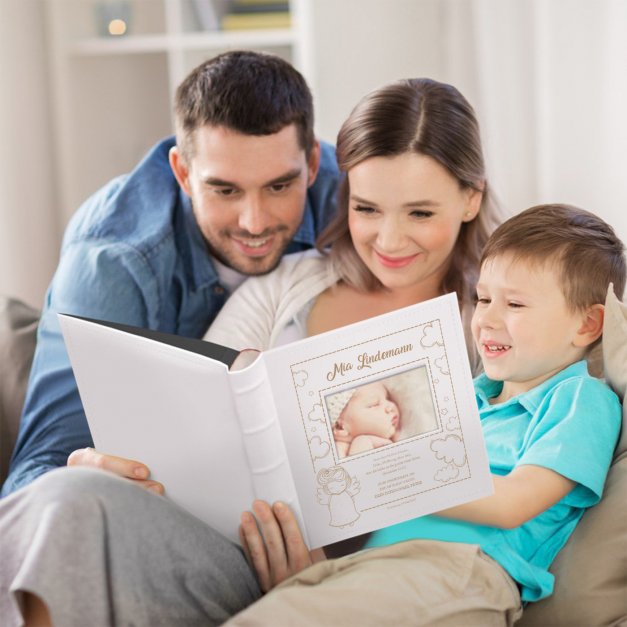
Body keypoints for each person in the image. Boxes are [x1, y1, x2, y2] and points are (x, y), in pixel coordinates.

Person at [0, 77, 501, 626]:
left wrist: (320, 578)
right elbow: (189, 407)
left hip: (356, 580)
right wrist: (108, 464)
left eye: (420, 214)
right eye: (367, 209)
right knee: (70, 498)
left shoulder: (490, 324)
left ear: (470, 198)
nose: (388, 239)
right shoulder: (290, 282)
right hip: (214, 545)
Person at [222, 203, 624, 626]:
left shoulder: (581, 399)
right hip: (373, 565)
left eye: (515, 305)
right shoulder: (465, 394)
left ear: (587, 325)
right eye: (483, 298)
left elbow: (513, 503)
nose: (486, 318)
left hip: (461, 571)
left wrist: (390, 468)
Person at [1, 50, 340, 497]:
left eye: (279, 186)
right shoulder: (113, 263)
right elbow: (30, 478)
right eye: (224, 189)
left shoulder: (355, 200)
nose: (254, 222)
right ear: (182, 172)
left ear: (312, 163)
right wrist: (78, 481)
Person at [328, 381, 401, 458]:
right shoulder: (337, 452)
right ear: (340, 427)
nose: (390, 406)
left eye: (387, 398)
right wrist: (362, 443)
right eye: (374, 404)